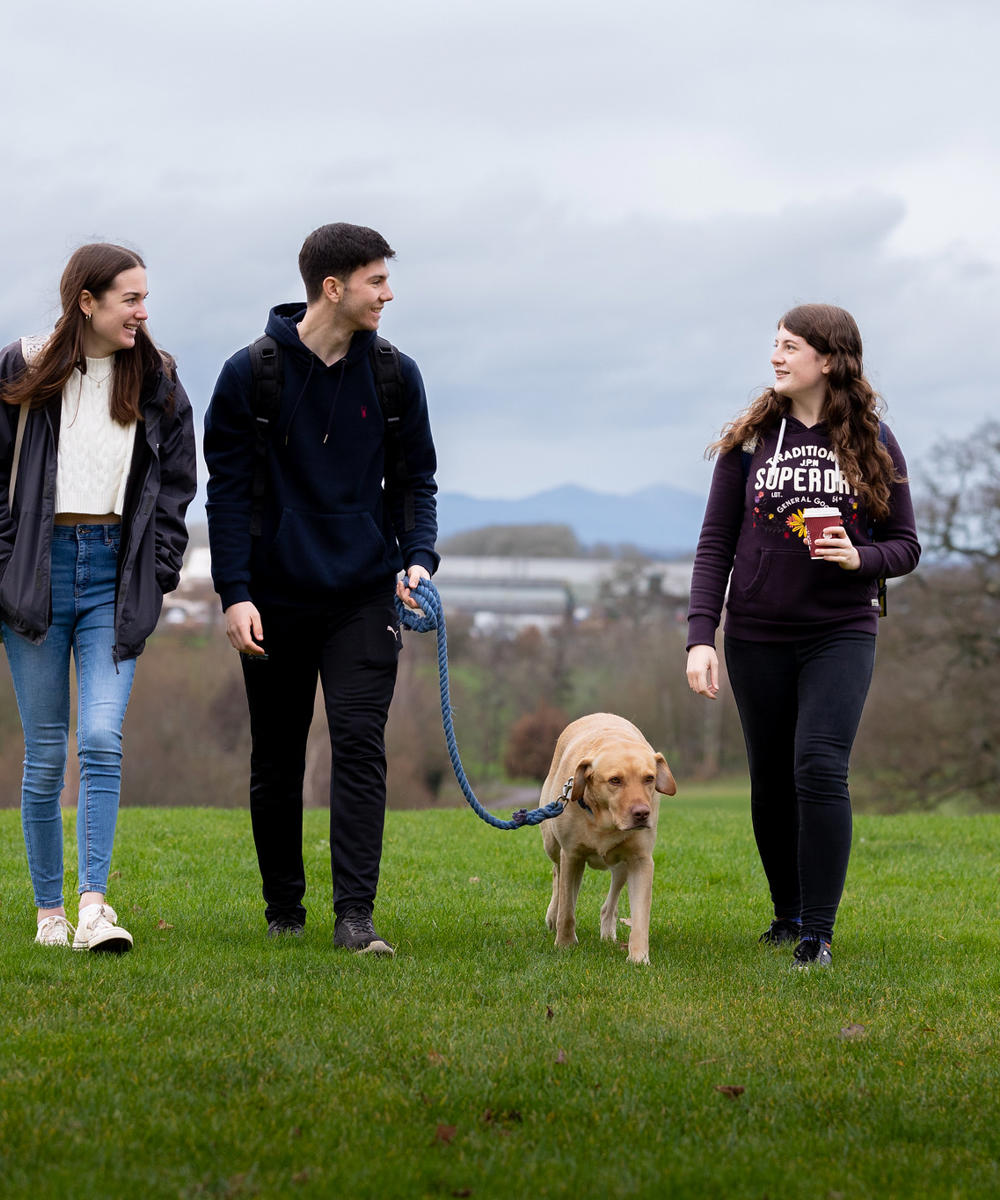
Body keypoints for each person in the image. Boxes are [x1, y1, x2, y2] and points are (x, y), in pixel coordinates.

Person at [204, 222, 439, 954]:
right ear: (333, 287)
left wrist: (418, 557)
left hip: (364, 595)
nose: (388, 294)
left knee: (360, 743)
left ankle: (355, 917)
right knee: (276, 754)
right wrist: (233, 592)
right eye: (376, 281)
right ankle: (284, 909)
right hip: (272, 598)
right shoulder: (251, 374)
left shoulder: (396, 376)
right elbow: (228, 495)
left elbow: (414, 482)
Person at [685, 304, 920, 969]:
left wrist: (860, 559)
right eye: (775, 345)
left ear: (829, 359)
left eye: (789, 347)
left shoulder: (875, 442)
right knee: (771, 780)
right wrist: (701, 636)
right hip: (755, 634)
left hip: (840, 633)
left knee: (818, 764)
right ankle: (786, 915)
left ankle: (818, 932)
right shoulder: (751, 440)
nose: (776, 357)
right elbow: (714, 547)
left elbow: (905, 546)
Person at [0, 243, 197, 952]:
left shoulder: (159, 380)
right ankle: (49, 914)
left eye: (146, 300)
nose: (143, 314)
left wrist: (159, 570)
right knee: (47, 752)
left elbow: (177, 486)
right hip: (35, 575)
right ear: (87, 301)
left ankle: (93, 908)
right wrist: (6, 564)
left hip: (114, 577)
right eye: (130, 300)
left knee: (101, 738)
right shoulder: (21, 366)